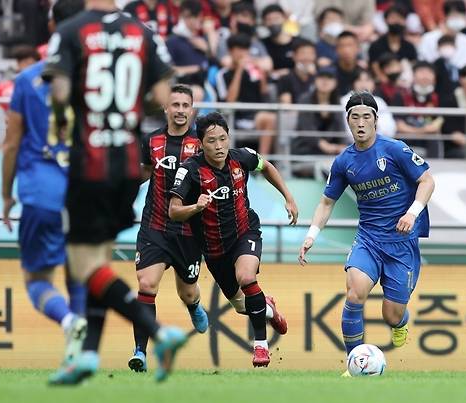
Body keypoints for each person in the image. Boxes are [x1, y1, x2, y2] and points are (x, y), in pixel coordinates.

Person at [42, 0, 186, 385]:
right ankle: (89, 354)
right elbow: (161, 93)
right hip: (127, 162)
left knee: (83, 266)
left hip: (90, 162)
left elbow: (58, 91)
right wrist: (128, 106)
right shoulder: (143, 33)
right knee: (99, 261)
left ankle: (159, 334)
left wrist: (62, 123)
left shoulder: (72, 31)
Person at [298, 91, 435, 376]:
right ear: (347, 121)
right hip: (368, 240)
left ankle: (400, 322)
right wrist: (311, 234)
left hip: (401, 243)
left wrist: (412, 212)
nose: (360, 123)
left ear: (376, 120)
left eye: (366, 117)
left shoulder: (395, 149)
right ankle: (353, 363)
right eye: (354, 117)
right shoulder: (343, 162)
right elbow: (326, 202)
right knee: (354, 293)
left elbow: (427, 180)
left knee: (391, 314)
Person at [0, 0, 88, 374]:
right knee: (78, 272)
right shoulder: (93, 81)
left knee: (37, 281)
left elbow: (11, 142)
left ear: (52, 24)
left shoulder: (27, 79)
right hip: (84, 191)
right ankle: (80, 354)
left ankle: (69, 322)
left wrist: (6, 194)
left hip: (41, 191)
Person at [169, 112, 296, 367]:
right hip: (214, 250)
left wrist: (288, 197)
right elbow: (173, 211)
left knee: (247, 278)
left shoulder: (242, 158)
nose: (219, 146)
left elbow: (267, 166)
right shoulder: (190, 171)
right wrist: (195, 207)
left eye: (223, 139)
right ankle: (268, 309)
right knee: (242, 305)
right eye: (212, 141)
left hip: (245, 231)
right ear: (201, 143)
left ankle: (260, 347)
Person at [127, 84, 207, 372]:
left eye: (186, 106)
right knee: (147, 285)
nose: (181, 111)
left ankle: (194, 305)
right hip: (155, 226)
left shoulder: (201, 143)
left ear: (192, 109)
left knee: (187, 292)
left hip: (188, 231)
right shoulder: (152, 141)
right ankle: (140, 352)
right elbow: (145, 171)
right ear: (166, 108)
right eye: (176, 105)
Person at [291, 66, 346, 157]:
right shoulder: (305, 99)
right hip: (305, 148)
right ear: (315, 80)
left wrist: (341, 147)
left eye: (329, 78)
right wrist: (325, 146)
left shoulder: (336, 102)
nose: (325, 81)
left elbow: (340, 128)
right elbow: (306, 128)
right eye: (321, 77)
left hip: (331, 151)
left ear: (335, 83)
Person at [418, 0, 466, 68]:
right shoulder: (428, 38)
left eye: (461, 16)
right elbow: (423, 64)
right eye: (454, 16)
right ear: (445, 16)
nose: (458, 19)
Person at [277, 38, 316, 104]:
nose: (306, 57)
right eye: (303, 53)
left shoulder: (318, 77)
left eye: (310, 53)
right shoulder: (286, 78)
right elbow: (286, 104)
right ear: (294, 56)